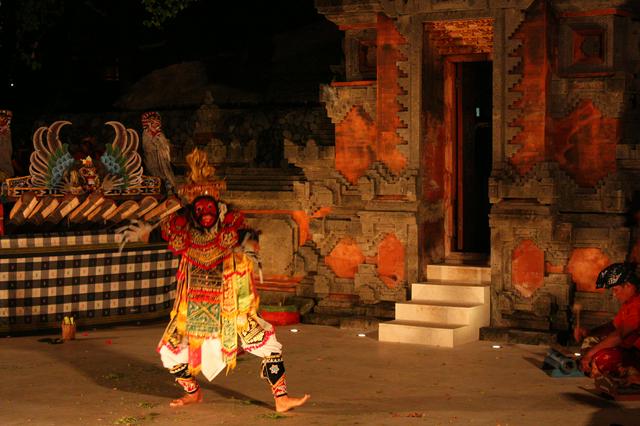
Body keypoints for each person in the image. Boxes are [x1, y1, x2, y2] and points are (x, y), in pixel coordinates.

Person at [126, 148, 309, 411]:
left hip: (230, 309)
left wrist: (248, 244)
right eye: (199, 209)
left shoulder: (231, 229)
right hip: (194, 311)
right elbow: (154, 235)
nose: (205, 213)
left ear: (218, 208)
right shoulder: (182, 231)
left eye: (209, 208)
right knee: (169, 353)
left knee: (269, 345)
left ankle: (281, 398)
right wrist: (141, 231)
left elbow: (251, 240)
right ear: (193, 212)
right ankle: (194, 392)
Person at [574, 263, 640, 383]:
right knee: (591, 342)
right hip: (632, 351)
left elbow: (619, 335)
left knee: (603, 358)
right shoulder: (629, 303)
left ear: (628, 286)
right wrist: (590, 332)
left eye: (616, 289)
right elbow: (613, 326)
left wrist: (589, 355)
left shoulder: (638, 305)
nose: (614, 295)